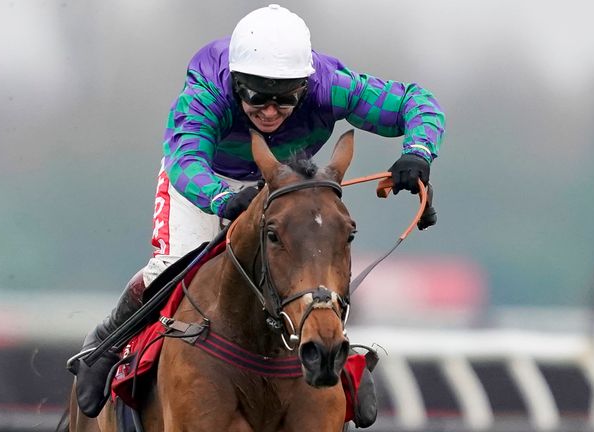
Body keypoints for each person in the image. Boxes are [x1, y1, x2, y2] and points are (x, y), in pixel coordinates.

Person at [68, 3, 445, 417]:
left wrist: (418, 153)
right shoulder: (207, 90)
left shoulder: (331, 85)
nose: (269, 111)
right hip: (206, 179)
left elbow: (416, 102)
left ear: (305, 85)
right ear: (235, 82)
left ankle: (342, 356)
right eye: (255, 97)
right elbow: (184, 159)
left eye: (285, 101)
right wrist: (221, 198)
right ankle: (105, 345)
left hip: (283, 182)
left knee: (312, 255)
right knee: (175, 264)